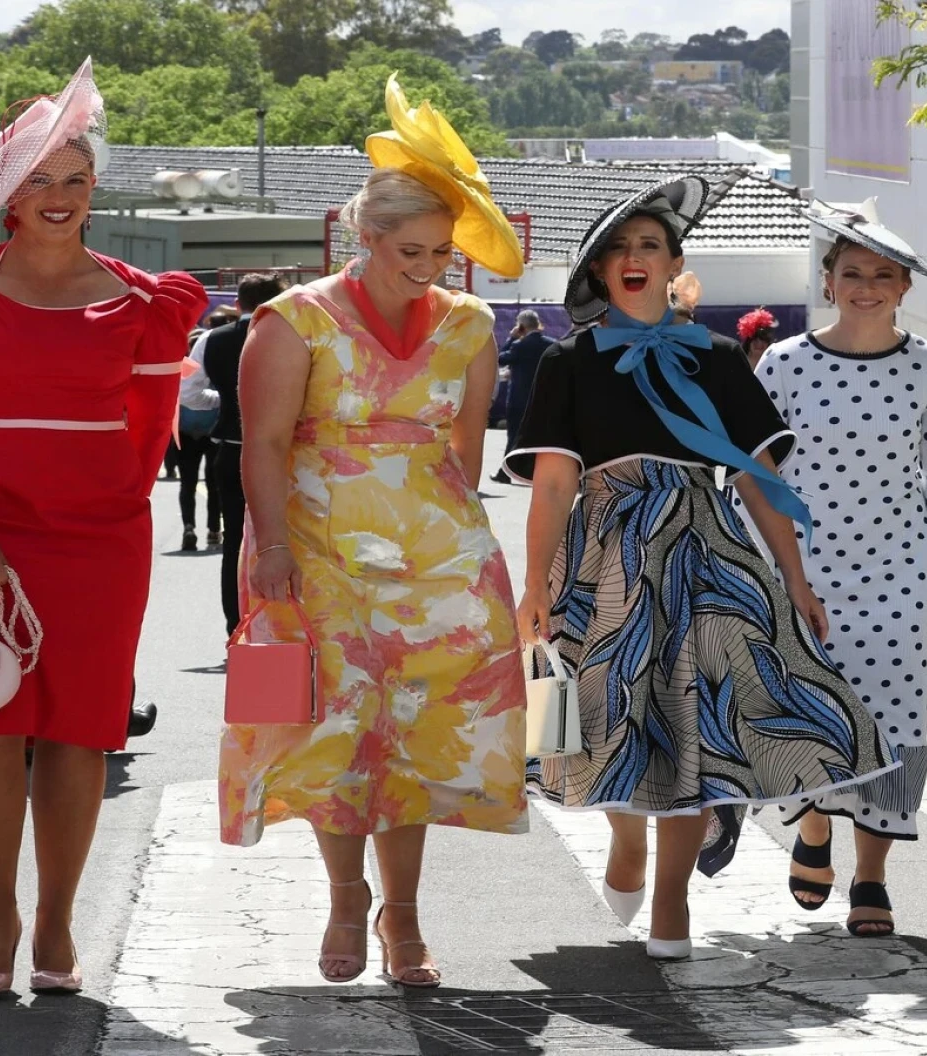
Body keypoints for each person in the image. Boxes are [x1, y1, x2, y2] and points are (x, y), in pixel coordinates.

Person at [508, 173, 899, 961]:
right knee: (603, 718)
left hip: (705, 549)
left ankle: (672, 899)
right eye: (618, 247)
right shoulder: (568, 361)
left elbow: (759, 477)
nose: (633, 256)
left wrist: (794, 579)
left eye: (648, 245)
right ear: (596, 272)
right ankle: (625, 840)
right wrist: (534, 582)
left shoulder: (719, 357)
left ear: (673, 260)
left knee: (699, 726)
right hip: (604, 555)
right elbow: (553, 482)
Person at [0, 59, 207, 996]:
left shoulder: (151, 303)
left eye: (74, 179)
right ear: (6, 193)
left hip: (99, 542)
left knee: (78, 734)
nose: (59, 197)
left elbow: (150, 436)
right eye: (38, 180)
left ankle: (59, 922)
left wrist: (108, 510)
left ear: (93, 190)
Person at [217, 77, 530, 989]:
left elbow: (465, 457)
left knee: (417, 737)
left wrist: (452, 550)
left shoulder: (472, 325)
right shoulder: (295, 321)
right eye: (409, 250)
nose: (428, 268)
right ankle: (347, 897)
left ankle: (405, 919)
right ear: (366, 235)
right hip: (313, 552)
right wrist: (269, 549)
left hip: (439, 561)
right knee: (334, 732)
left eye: (441, 251)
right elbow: (265, 445)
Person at [747, 198, 927, 937]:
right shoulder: (783, 363)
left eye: (883, 274)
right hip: (809, 571)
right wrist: (771, 575)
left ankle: (871, 877)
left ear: (906, 285)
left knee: (896, 720)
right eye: (852, 273)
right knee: (815, 711)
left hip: (903, 573)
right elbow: (760, 476)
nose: (867, 286)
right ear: (828, 280)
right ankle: (814, 825)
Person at [202, 272, 286, 635]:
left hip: (231, 448)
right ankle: (281, 624)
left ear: (238, 303)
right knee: (284, 538)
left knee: (234, 539)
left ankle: (235, 626)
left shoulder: (213, 338)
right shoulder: (292, 335)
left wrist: (228, 404)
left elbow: (189, 393)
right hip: (285, 455)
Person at [488, 308, 552, 484]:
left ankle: (505, 473)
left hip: (518, 400)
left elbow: (500, 358)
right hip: (542, 400)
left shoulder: (519, 345)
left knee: (514, 436)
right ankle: (534, 473)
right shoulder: (550, 344)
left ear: (522, 326)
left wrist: (511, 338)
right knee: (540, 438)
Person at [175, 326, 222, 552]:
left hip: (185, 432)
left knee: (188, 483)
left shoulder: (183, 367)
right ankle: (214, 530)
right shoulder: (212, 363)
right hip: (213, 430)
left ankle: (189, 527)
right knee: (213, 485)